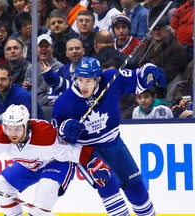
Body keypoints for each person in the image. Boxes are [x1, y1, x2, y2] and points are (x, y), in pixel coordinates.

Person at [52, 57, 166, 215]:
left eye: (88, 81)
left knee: (137, 189)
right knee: (108, 182)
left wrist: (151, 70)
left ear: (98, 79)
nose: (83, 85)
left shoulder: (111, 79)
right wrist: (64, 130)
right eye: (80, 80)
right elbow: (57, 138)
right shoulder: (63, 103)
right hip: (88, 150)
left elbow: (139, 76)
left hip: (114, 143)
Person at [0, 104, 109, 215]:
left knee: (46, 189)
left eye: (17, 129)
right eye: (8, 128)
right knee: (1, 185)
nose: (12, 134)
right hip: (29, 164)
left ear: (26, 126)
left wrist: (93, 161)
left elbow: (71, 151)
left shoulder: (44, 136)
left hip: (56, 162)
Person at [137, 15, 187, 101]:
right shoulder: (150, 42)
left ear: (167, 30)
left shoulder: (176, 48)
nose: (156, 32)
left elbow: (169, 72)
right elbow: (139, 58)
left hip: (165, 81)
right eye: (154, 30)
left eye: (159, 29)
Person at [23, 34, 63, 106]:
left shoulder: (59, 67)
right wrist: (24, 89)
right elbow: (25, 94)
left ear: (52, 49)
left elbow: (50, 96)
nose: (43, 49)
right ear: (36, 49)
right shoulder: (30, 69)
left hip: (48, 107)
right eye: (41, 46)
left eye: (46, 46)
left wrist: (31, 98)